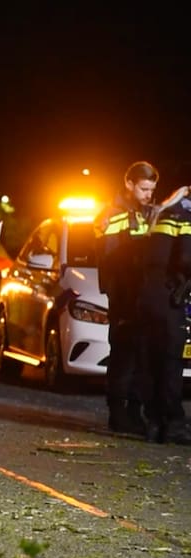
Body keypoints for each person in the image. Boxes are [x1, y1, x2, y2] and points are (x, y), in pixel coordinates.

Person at [94, 163, 188, 434]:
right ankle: (119, 413)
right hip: (123, 293)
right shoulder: (110, 216)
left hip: (143, 294)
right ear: (129, 184)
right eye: (144, 189)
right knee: (123, 354)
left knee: (142, 356)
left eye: (152, 190)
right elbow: (112, 258)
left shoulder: (149, 212)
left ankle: (136, 412)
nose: (149, 194)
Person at [137, 195, 191, 444]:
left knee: (152, 359)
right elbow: (185, 260)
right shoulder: (186, 217)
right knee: (171, 361)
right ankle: (173, 425)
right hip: (170, 297)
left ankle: (153, 421)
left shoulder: (163, 213)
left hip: (148, 295)